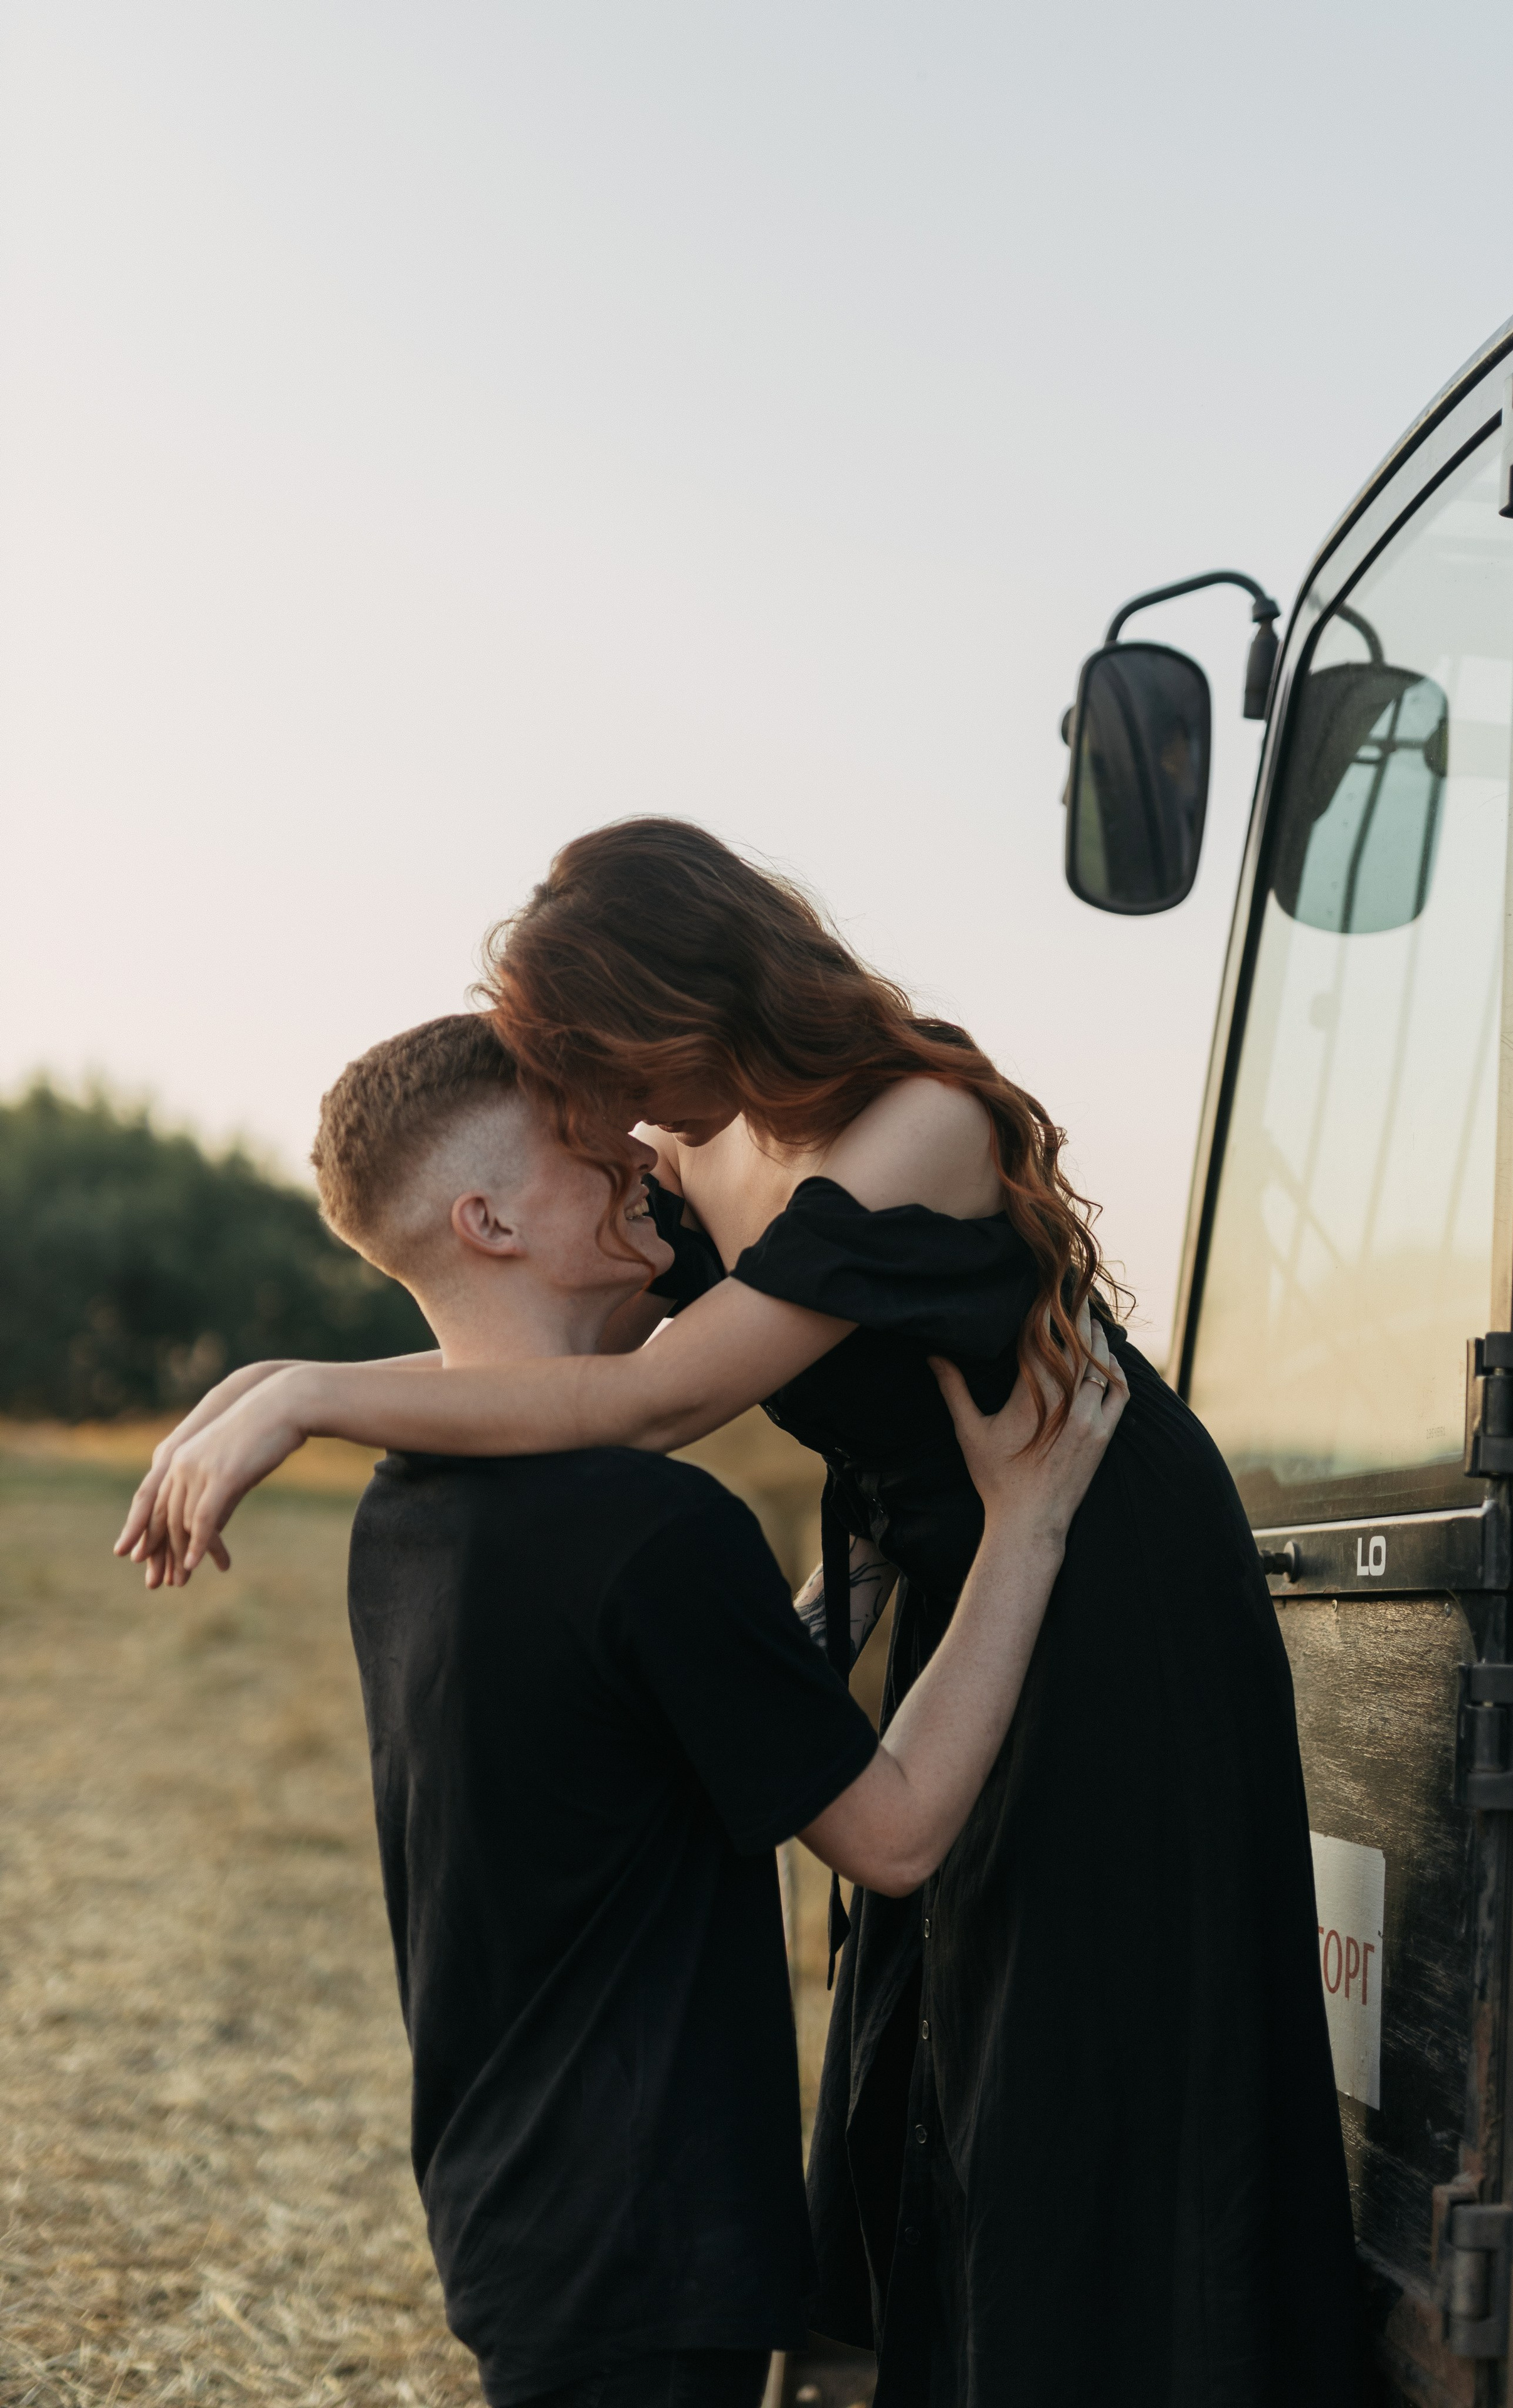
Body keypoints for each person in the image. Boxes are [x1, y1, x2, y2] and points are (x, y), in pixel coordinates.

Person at [119, 820, 1361, 2405]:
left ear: (681, 996)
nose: (606, 1118)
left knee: (1076, 2062)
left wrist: (303, 1392)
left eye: (601, 1059)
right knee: (936, 2052)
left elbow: (636, 1403)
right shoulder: (692, 1149)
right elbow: (533, 1369)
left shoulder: (911, 1125)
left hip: (1096, 1558)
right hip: (953, 1570)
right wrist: (264, 1389)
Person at [305, 1010, 1123, 2408]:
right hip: (652, 2227)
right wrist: (1022, 1526)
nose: (638, 1162)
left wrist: (868, 1541)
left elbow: (669, 1730)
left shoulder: (408, 1512)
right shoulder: (648, 1526)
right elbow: (897, 1832)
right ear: (488, 1220)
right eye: (586, 1145)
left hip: (520, 2208)